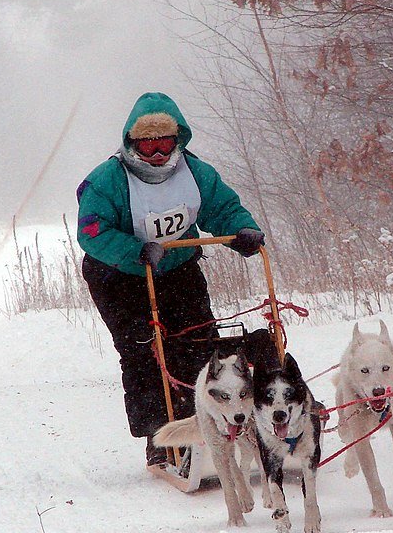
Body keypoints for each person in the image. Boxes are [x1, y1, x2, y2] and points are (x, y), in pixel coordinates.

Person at [76, 92, 265, 467]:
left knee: (198, 344)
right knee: (143, 350)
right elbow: (91, 231)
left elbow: (223, 208)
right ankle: (158, 436)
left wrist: (243, 231)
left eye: (165, 144)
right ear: (132, 143)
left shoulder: (196, 173)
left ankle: (206, 425)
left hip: (177, 268)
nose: (158, 154)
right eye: (148, 145)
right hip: (118, 275)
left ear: (178, 141)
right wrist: (135, 249)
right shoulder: (107, 180)